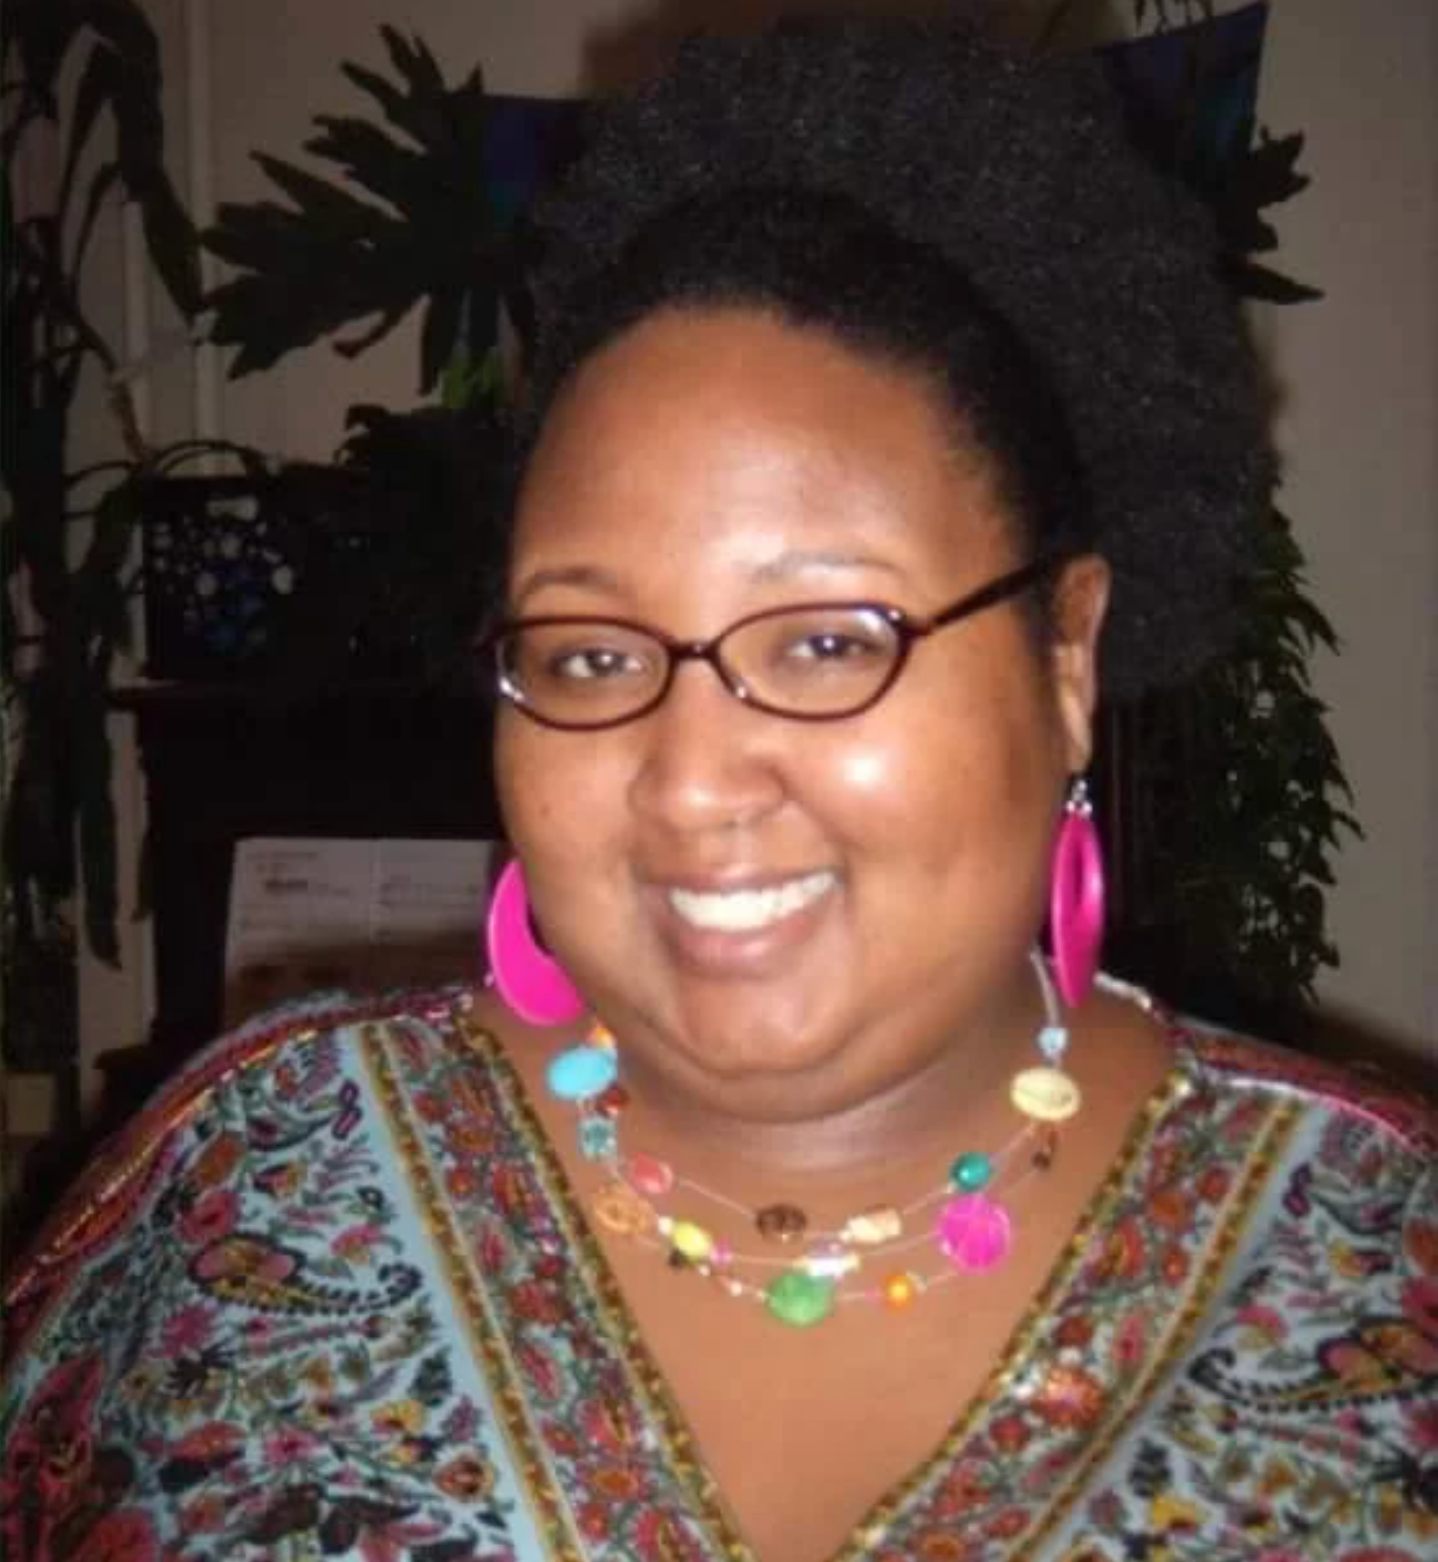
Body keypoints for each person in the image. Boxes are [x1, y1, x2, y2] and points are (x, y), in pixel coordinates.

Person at [4, 14, 1435, 1562]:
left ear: (1065, 658)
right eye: (591, 653)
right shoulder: (256, 1173)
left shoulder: (1375, 1267)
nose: (686, 783)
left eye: (827, 638)